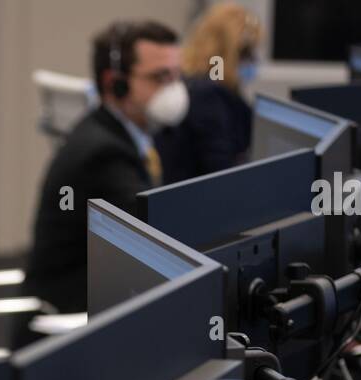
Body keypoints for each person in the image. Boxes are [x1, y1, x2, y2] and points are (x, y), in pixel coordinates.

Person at [23, 21, 186, 317]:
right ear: (116, 83)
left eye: (177, 76)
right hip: (62, 322)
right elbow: (157, 234)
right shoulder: (104, 153)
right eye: (161, 78)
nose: (174, 89)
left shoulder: (124, 132)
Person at [154, 2, 263, 184]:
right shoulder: (208, 96)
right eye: (247, 53)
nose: (254, 60)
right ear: (230, 54)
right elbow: (222, 174)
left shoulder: (191, 80)